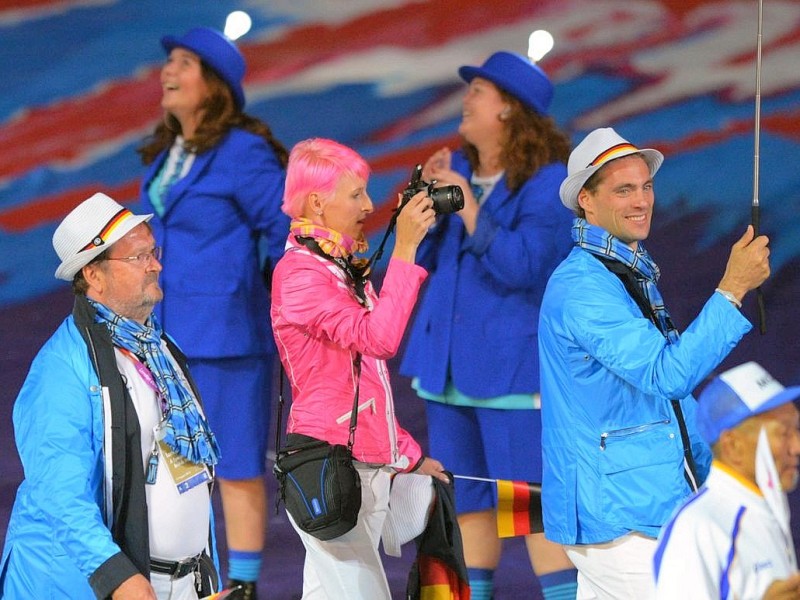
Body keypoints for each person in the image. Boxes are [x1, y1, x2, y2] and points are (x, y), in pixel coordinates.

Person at [538, 126, 771, 598]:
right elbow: (668, 375)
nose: (641, 200)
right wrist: (731, 290)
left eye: (646, 186)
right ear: (586, 199)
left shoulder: (620, 269)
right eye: (623, 189)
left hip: (631, 505)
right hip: (623, 517)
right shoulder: (584, 286)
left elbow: (661, 398)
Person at [398, 50, 578, 599]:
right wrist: (422, 205)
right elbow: (419, 261)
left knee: (530, 506)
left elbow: (523, 266)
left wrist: (471, 206)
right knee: (465, 503)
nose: (466, 99)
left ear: (508, 110)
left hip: (511, 376)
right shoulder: (459, 171)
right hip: (447, 369)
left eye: (479, 91)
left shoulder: (549, 185)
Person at [0, 192, 219, 599]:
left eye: (153, 251)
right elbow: (60, 498)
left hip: (174, 583)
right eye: (137, 258)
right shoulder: (60, 372)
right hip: (85, 586)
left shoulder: (161, 350)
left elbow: (188, 474)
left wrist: (200, 573)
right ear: (94, 276)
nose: (156, 265)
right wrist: (116, 577)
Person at [137, 27, 289, 598]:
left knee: (236, 461)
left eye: (183, 62)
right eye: (167, 60)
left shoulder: (242, 151)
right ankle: (196, 578)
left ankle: (244, 585)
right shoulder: (169, 151)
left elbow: (281, 233)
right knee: (178, 467)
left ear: (215, 85)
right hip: (164, 334)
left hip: (227, 336)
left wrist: (290, 303)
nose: (166, 71)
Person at [270, 137, 450, 599]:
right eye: (355, 195)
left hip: (361, 462)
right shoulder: (300, 276)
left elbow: (367, 383)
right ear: (317, 202)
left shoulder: (337, 266)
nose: (370, 205)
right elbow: (379, 339)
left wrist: (407, 454)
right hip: (329, 467)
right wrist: (405, 248)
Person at [654, 361, 800, 599]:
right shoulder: (697, 527)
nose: (797, 447)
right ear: (733, 445)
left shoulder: (770, 504)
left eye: (797, 429)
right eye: (783, 433)